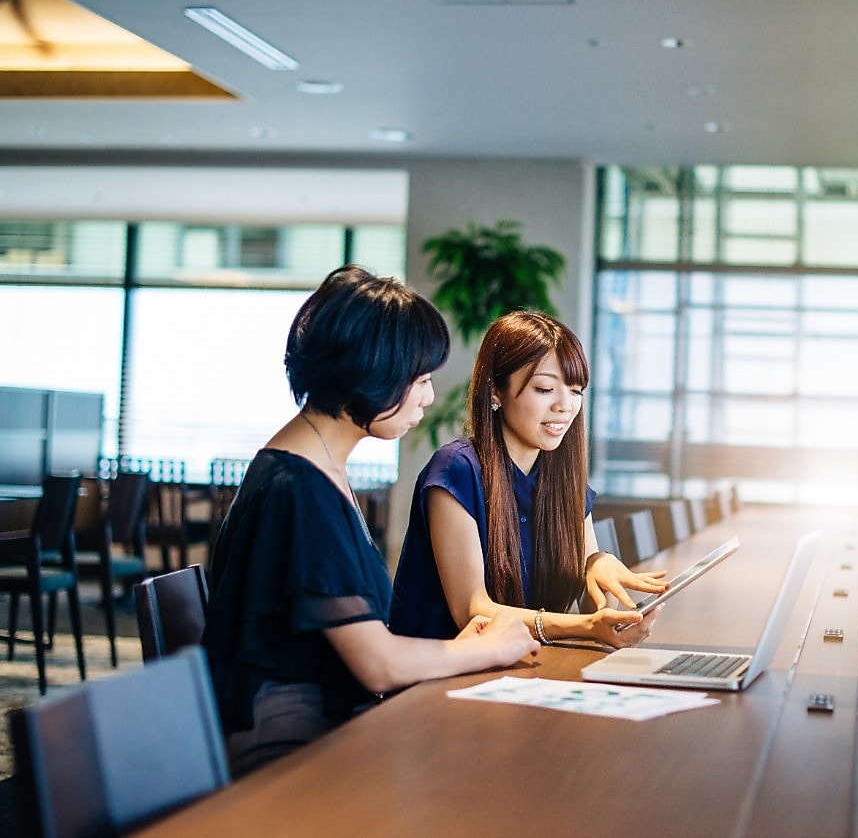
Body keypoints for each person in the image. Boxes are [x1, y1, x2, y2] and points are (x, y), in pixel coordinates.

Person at [202, 266, 539, 777]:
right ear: (373, 371)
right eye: (420, 379)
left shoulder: (305, 464)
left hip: (320, 724)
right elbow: (376, 663)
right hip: (288, 750)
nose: (428, 396)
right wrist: (487, 649)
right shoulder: (300, 488)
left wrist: (467, 648)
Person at [390, 310, 668, 647]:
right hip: (439, 680)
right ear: (495, 389)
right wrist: (583, 627)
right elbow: (472, 611)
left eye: (576, 390)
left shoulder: (563, 481)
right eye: (545, 388)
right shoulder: (456, 469)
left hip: (523, 670)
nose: (565, 405)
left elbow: (598, 613)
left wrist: (600, 564)